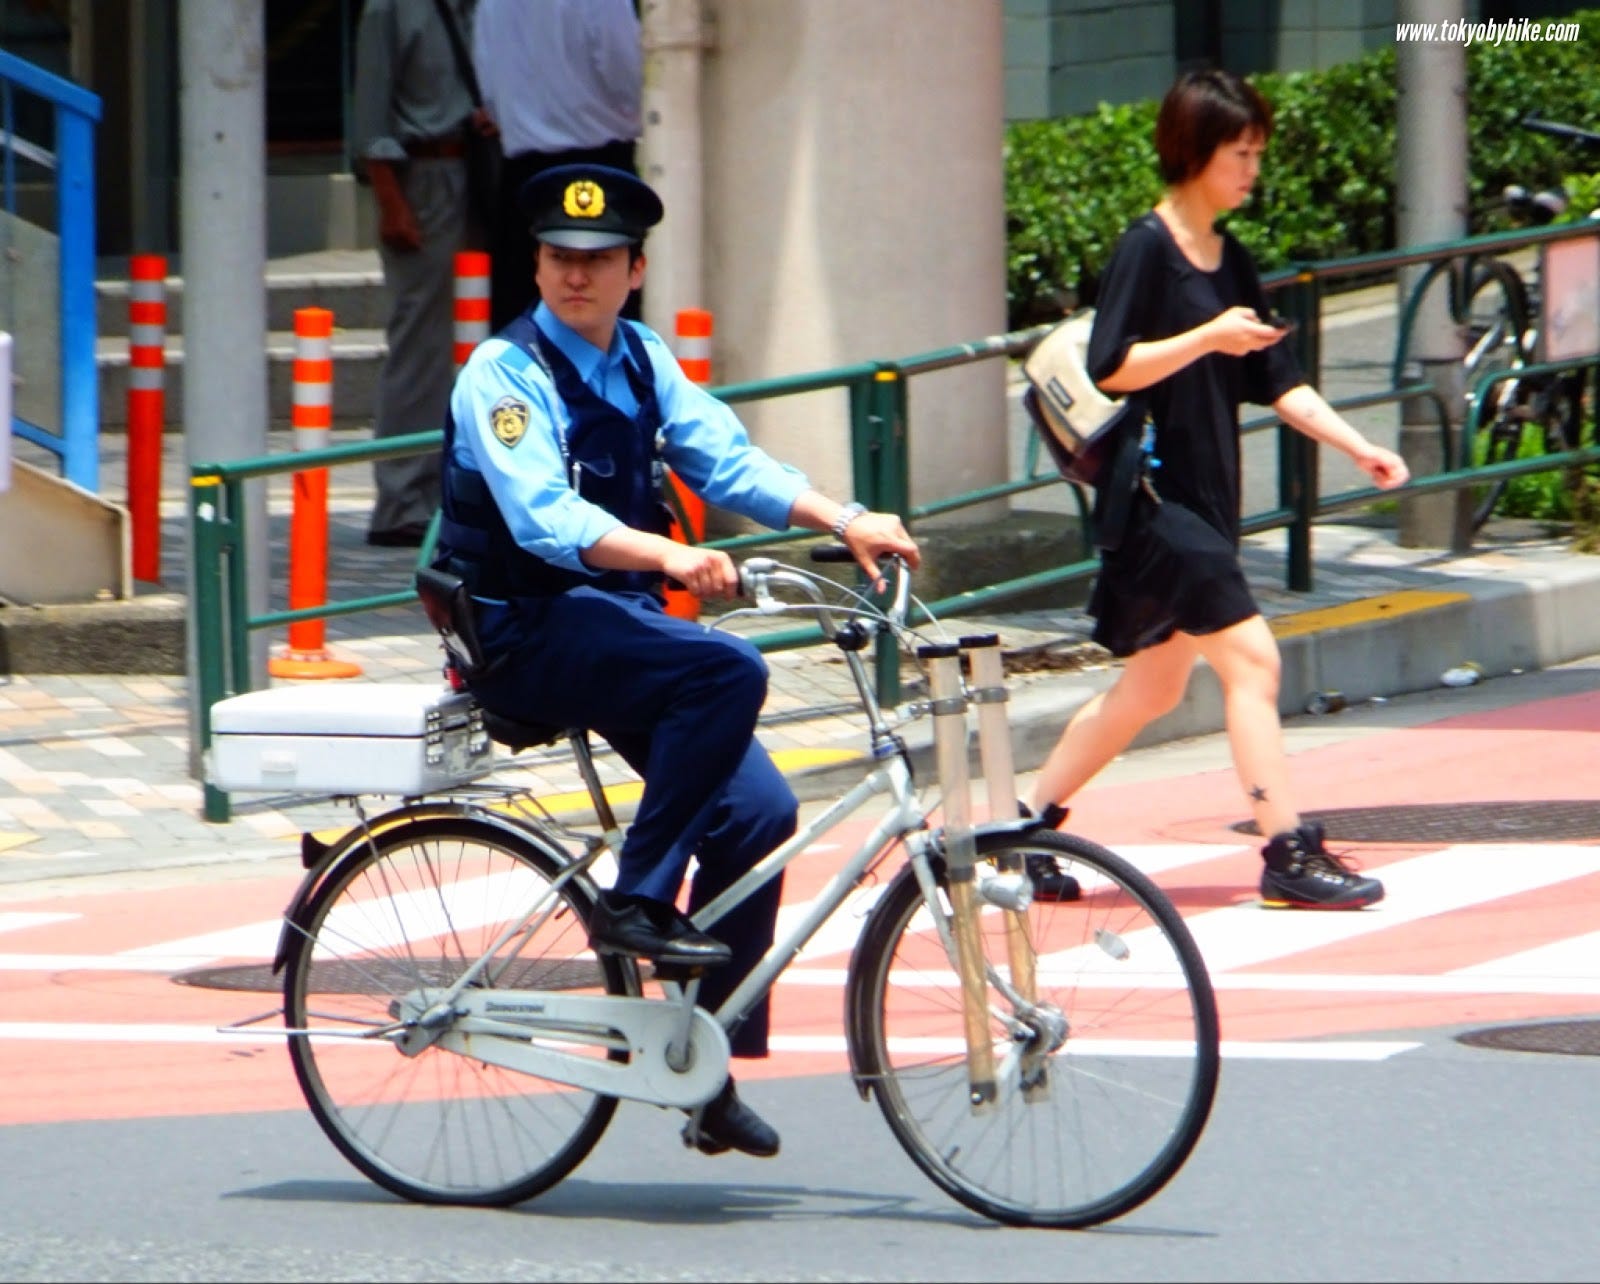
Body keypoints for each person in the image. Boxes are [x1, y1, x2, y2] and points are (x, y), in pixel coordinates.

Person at [433, 163, 920, 1157]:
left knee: (760, 814)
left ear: (634, 269)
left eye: (599, 259)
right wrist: (673, 556)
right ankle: (638, 903)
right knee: (726, 671)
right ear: (535, 264)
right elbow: (544, 516)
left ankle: (703, 1066)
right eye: (560, 259)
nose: (577, 277)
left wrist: (848, 516)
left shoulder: (643, 358)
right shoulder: (503, 372)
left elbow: (725, 459)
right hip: (521, 630)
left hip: (601, 626)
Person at [1026, 69, 1410, 910]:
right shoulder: (1146, 247)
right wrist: (1206, 336)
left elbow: (1277, 377)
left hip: (1207, 500)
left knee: (1153, 688)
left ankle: (1020, 832)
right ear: (1197, 150)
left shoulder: (1229, 257)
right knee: (1253, 662)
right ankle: (1287, 852)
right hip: (1156, 501)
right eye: (1241, 154)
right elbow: (1112, 367)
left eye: (1257, 154)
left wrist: (1359, 446)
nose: (1252, 171)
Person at [351, 0, 490, 548]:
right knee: (421, 342)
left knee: (480, 341)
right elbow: (369, 118)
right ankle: (403, 499)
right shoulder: (388, 9)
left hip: (476, 166)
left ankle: (457, 488)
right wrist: (392, 201)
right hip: (421, 175)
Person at [471, 0, 645, 331]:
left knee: (521, 322)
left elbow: (490, 91)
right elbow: (628, 74)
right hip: (600, 164)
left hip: (523, 172)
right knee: (606, 319)